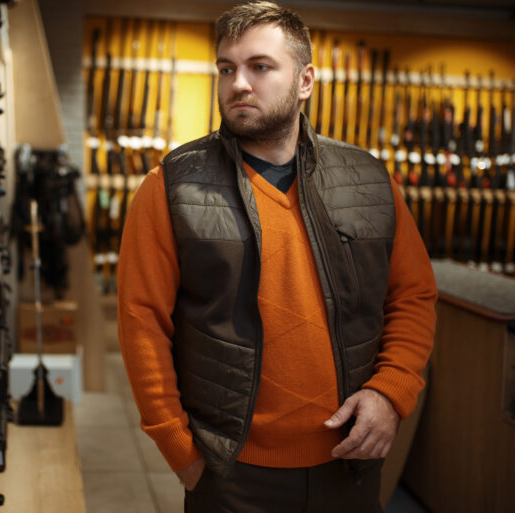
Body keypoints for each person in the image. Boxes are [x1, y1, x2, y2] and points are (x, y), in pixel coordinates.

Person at [116, 2, 437, 512]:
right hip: (228, 473)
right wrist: (179, 448)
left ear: (305, 80)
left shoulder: (370, 181)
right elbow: (142, 322)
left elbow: (413, 295)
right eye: (227, 68)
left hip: (348, 464)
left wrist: (390, 392)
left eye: (260, 67)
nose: (238, 83)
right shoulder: (171, 186)